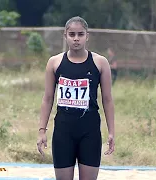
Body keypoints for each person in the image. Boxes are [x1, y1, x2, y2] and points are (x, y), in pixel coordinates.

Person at [37, 16, 115, 180]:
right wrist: (41, 131)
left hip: (90, 131)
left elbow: (107, 99)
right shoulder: (54, 63)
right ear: (65, 36)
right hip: (63, 131)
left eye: (80, 34)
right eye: (72, 34)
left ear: (87, 36)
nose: (76, 39)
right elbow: (47, 98)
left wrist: (111, 132)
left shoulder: (100, 63)